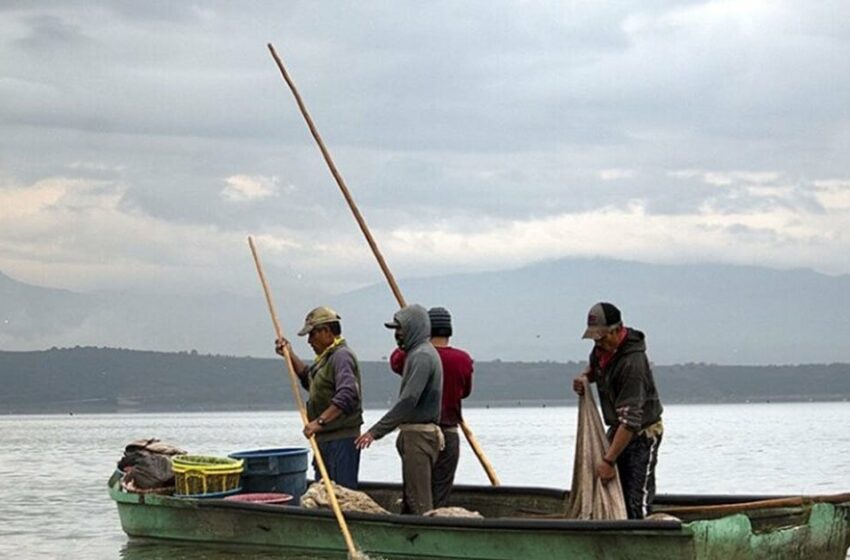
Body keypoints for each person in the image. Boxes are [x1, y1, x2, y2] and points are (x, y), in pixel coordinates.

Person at [572, 302, 664, 519]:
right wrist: (585, 377)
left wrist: (608, 461)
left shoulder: (632, 363)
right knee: (612, 493)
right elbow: (597, 368)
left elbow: (631, 422)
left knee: (635, 501)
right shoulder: (602, 349)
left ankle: (642, 540)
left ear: (617, 330)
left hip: (642, 434)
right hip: (618, 428)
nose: (598, 342)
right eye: (595, 338)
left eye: (602, 337)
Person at [354, 304, 444, 514]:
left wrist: (374, 432)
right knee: (411, 497)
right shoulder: (417, 354)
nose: (397, 335)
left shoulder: (422, 356)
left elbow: (409, 400)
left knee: (420, 502)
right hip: (414, 437)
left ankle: (424, 538)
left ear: (413, 329)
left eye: (400, 329)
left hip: (419, 438)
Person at [389, 306, 473, 508]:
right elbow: (466, 392)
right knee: (440, 498)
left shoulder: (415, 355)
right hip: (449, 434)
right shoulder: (463, 360)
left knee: (415, 498)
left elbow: (395, 361)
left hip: (419, 435)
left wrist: (410, 335)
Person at [275, 306, 363, 489]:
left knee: (341, 493)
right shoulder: (326, 358)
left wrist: (319, 422)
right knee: (324, 492)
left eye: (312, 334)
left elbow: (347, 394)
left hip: (340, 440)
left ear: (326, 331)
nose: (309, 341)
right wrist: (289, 354)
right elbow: (310, 380)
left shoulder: (341, 356)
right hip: (325, 440)